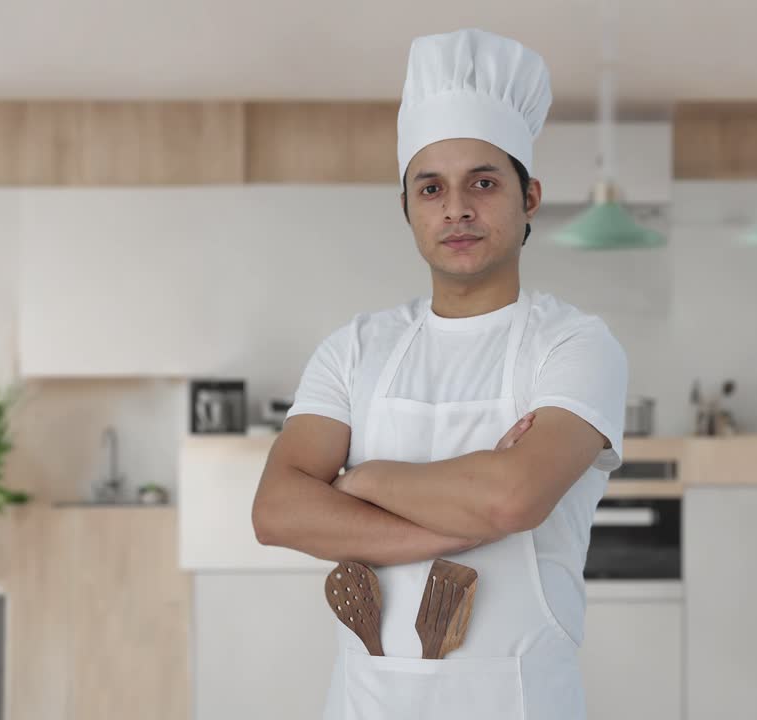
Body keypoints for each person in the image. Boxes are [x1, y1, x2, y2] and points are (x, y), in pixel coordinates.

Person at [251, 27, 627, 720]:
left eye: (482, 182)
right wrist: (461, 518)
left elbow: (512, 500)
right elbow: (275, 511)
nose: (456, 208)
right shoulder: (356, 348)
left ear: (530, 198)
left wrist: (361, 482)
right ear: (407, 208)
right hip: (366, 702)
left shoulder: (574, 345)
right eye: (431, 188)